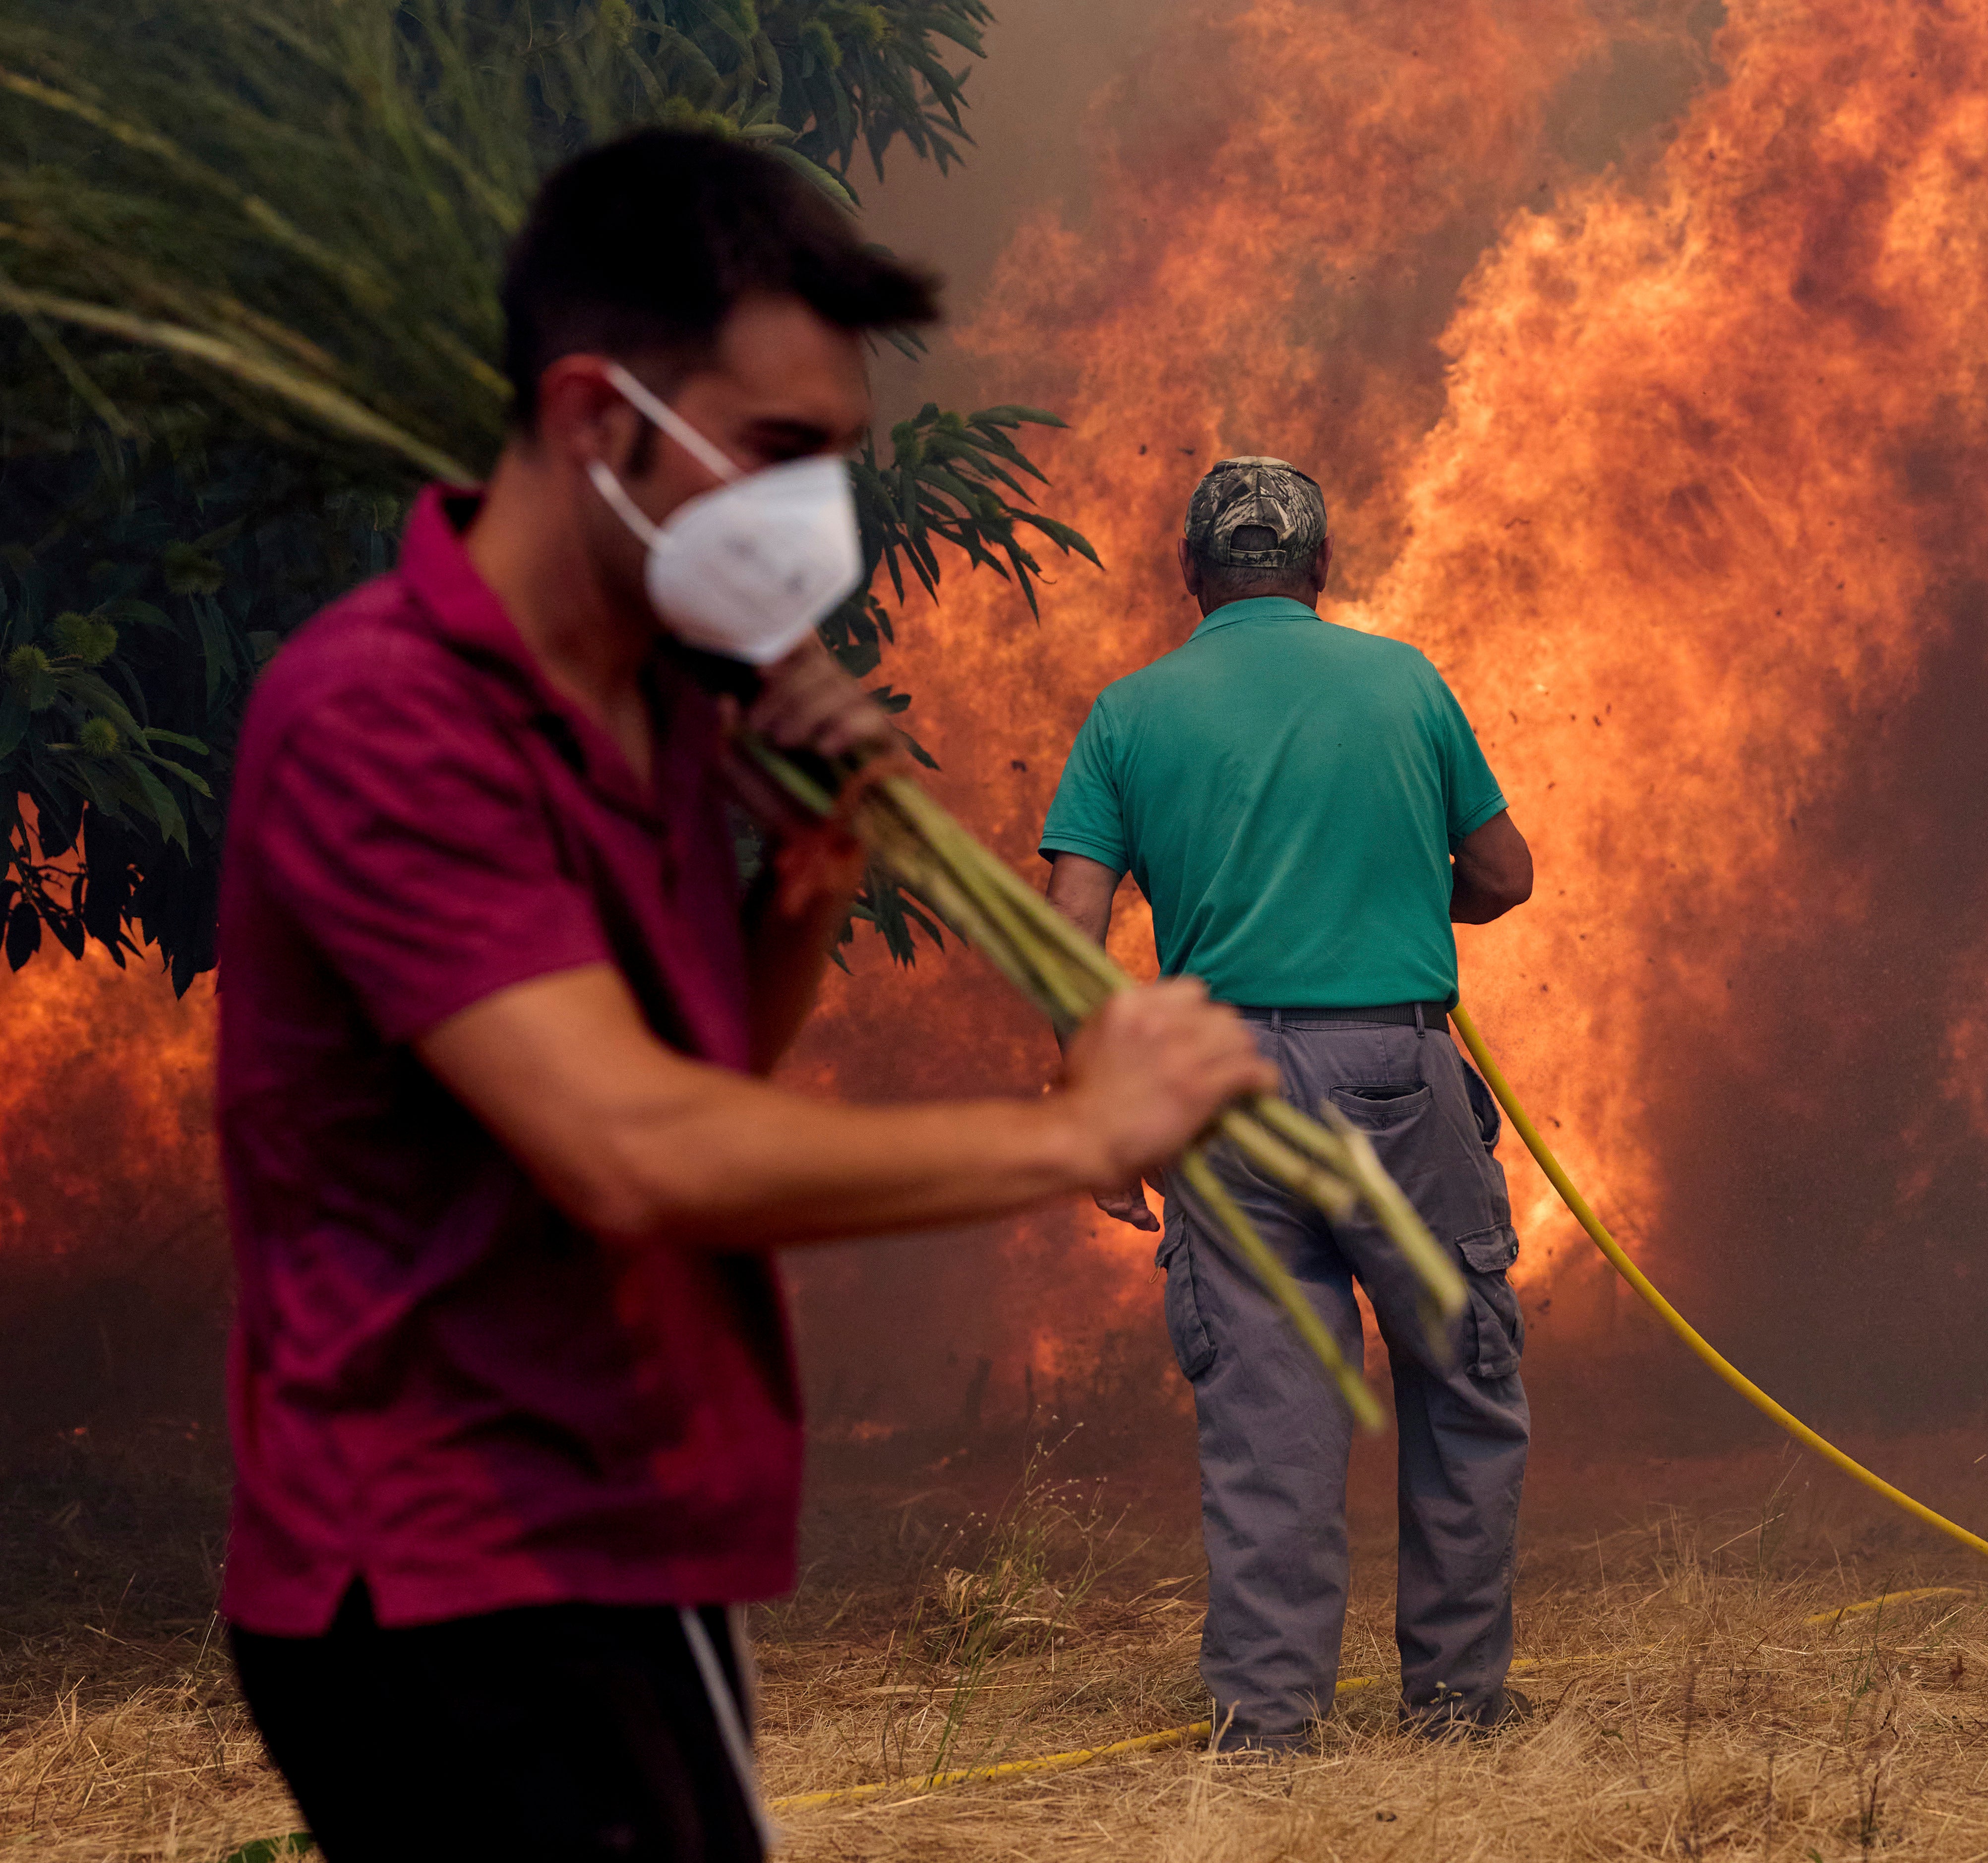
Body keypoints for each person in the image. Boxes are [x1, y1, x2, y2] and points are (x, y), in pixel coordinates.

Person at [212, 130, 1274, 1863]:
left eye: (836, 460)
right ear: (590, 418)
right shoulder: (384, 720)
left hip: (618, 1510)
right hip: (451, 1557)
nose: (813, 515)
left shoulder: (662, 707)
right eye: (776, 452)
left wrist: (806, 890)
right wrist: (1072, 1127)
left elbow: (699, 1073)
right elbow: (629, 1148)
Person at [1039, 457, 1537, 1754]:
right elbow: (1500, 873)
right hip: (1394, 1071)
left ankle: (1267, 1731)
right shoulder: (1404, 682)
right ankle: (1455, 1706)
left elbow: (1069, 928)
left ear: (1192, 577)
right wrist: (1395, 893)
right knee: (1460, 1381)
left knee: (1271, 1412)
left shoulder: (1129, 712)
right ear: (1318, 571)